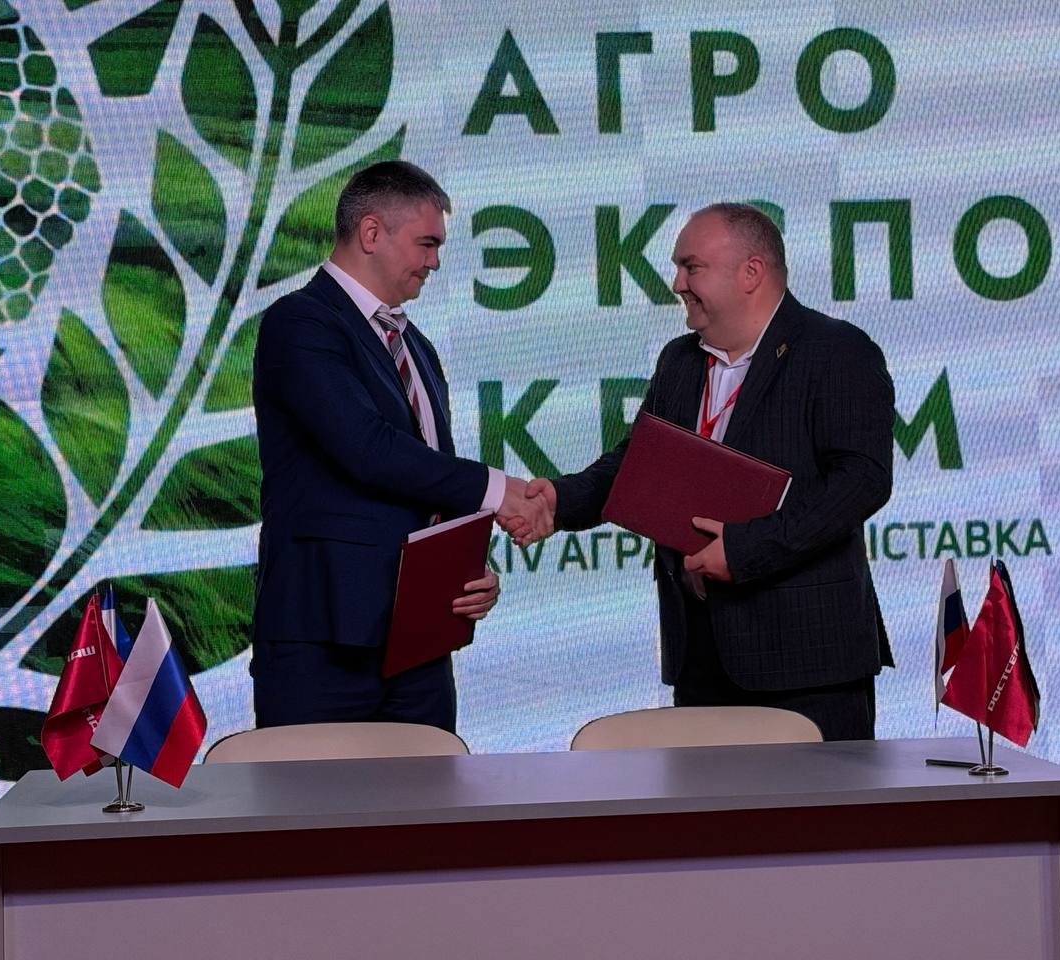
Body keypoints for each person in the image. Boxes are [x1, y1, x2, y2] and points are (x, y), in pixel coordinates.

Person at [504, 203, 895, 740]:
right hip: (701, 659)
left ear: (751, 272)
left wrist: (747, 549)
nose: (677, 283)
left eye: (691, 267)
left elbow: (861, 481)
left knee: (817, 801)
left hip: (809, 665)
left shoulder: (837, 351)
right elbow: (639, 463)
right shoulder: (680, 361)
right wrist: (560, 500)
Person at [250, 160, 547, 730]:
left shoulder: (417, 347)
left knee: (431, 789)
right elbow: (366, 448)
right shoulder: (300, 322)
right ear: (371, 233)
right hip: (325, 640)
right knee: (313, 792)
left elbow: (427, 479)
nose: (435, 261)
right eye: (427, 243)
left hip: (420, 643)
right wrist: (498, 490)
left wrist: (470, 568)